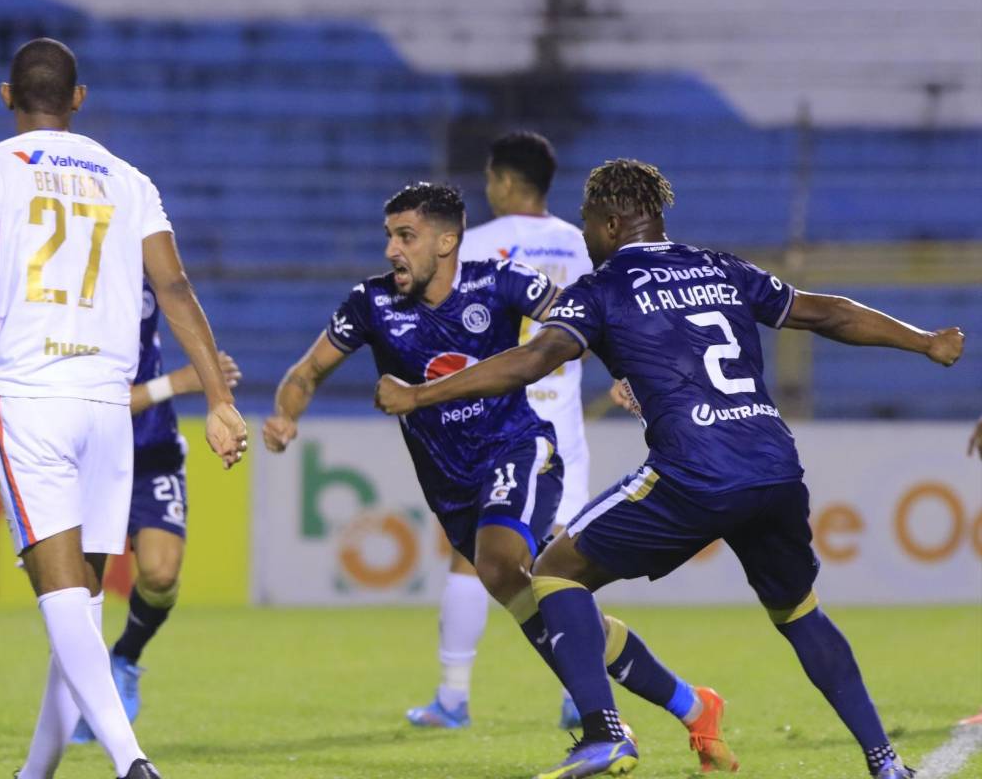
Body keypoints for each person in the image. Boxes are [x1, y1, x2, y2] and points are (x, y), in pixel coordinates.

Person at [375, 158, 965, 779]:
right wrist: (924, 341)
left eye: (586, 225)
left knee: (554, 572)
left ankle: (604, 734)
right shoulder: (722, 267)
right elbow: (826, 311)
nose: (583, 237)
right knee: (799, 613)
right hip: (773, 465)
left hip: (695, 471)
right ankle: (885, 762)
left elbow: (533, 359)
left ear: (609, 222)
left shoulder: (602, 288)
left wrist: (418, 396)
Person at [265, 181, 736, 772]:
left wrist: (631, 374)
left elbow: (586, 321)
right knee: (537, 600)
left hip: (519, 449)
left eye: (405, 237)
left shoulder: (500, 280)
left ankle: (605, 731)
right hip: (451, 487)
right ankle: (693, 705)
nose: (392, 251)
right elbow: (307, 373)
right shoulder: (370, 304)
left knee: (500, 564)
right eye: (389, 237)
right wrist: (285, 415)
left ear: (446, 241)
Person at [0, 38, 247, 779]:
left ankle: (132, 761)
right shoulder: (130, 180)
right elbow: (176, 289)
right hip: (107, 408)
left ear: (8, 96)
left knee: (62, 595)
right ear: (80, 98)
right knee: (83, 602)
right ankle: (35, 773)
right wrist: (219, 400)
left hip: (31, 396)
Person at [408, 132, 593, 730]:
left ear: (508, 183)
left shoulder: (470, 246)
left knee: (473, 560)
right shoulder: (579, 244)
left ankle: (453, 698)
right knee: (571, 565)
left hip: (494, 425)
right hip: (560, 428)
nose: (488, 191)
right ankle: (579, 695)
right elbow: (602, 323)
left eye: (491, 181)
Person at [71, 285, 242, 743]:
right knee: (77, 589)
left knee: (161, 573)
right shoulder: (66, 290)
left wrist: (211, 385)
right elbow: (88, 397)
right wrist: (179, 382)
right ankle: (83, 701)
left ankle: (124, 657)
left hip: (152, 449)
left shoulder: (145, 269)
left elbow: (179, 294)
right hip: (86, 455)